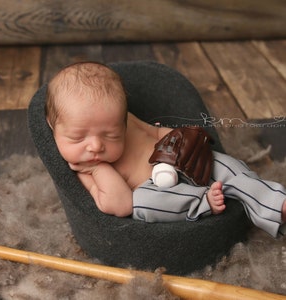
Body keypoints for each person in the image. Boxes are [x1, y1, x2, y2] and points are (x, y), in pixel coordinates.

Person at [45, 61, 286, 238]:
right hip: (158, 191)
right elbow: (120, 204)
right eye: (78, 137)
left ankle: (275, 203)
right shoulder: (83, 168)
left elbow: (155, 132)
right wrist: (98, 169)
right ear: (53, 126)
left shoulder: (122, 119)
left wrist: (182, 138)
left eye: (111, 135)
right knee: (144, 203)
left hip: (180, 160)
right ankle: (203, 203)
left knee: (228, 166)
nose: (96, 145)